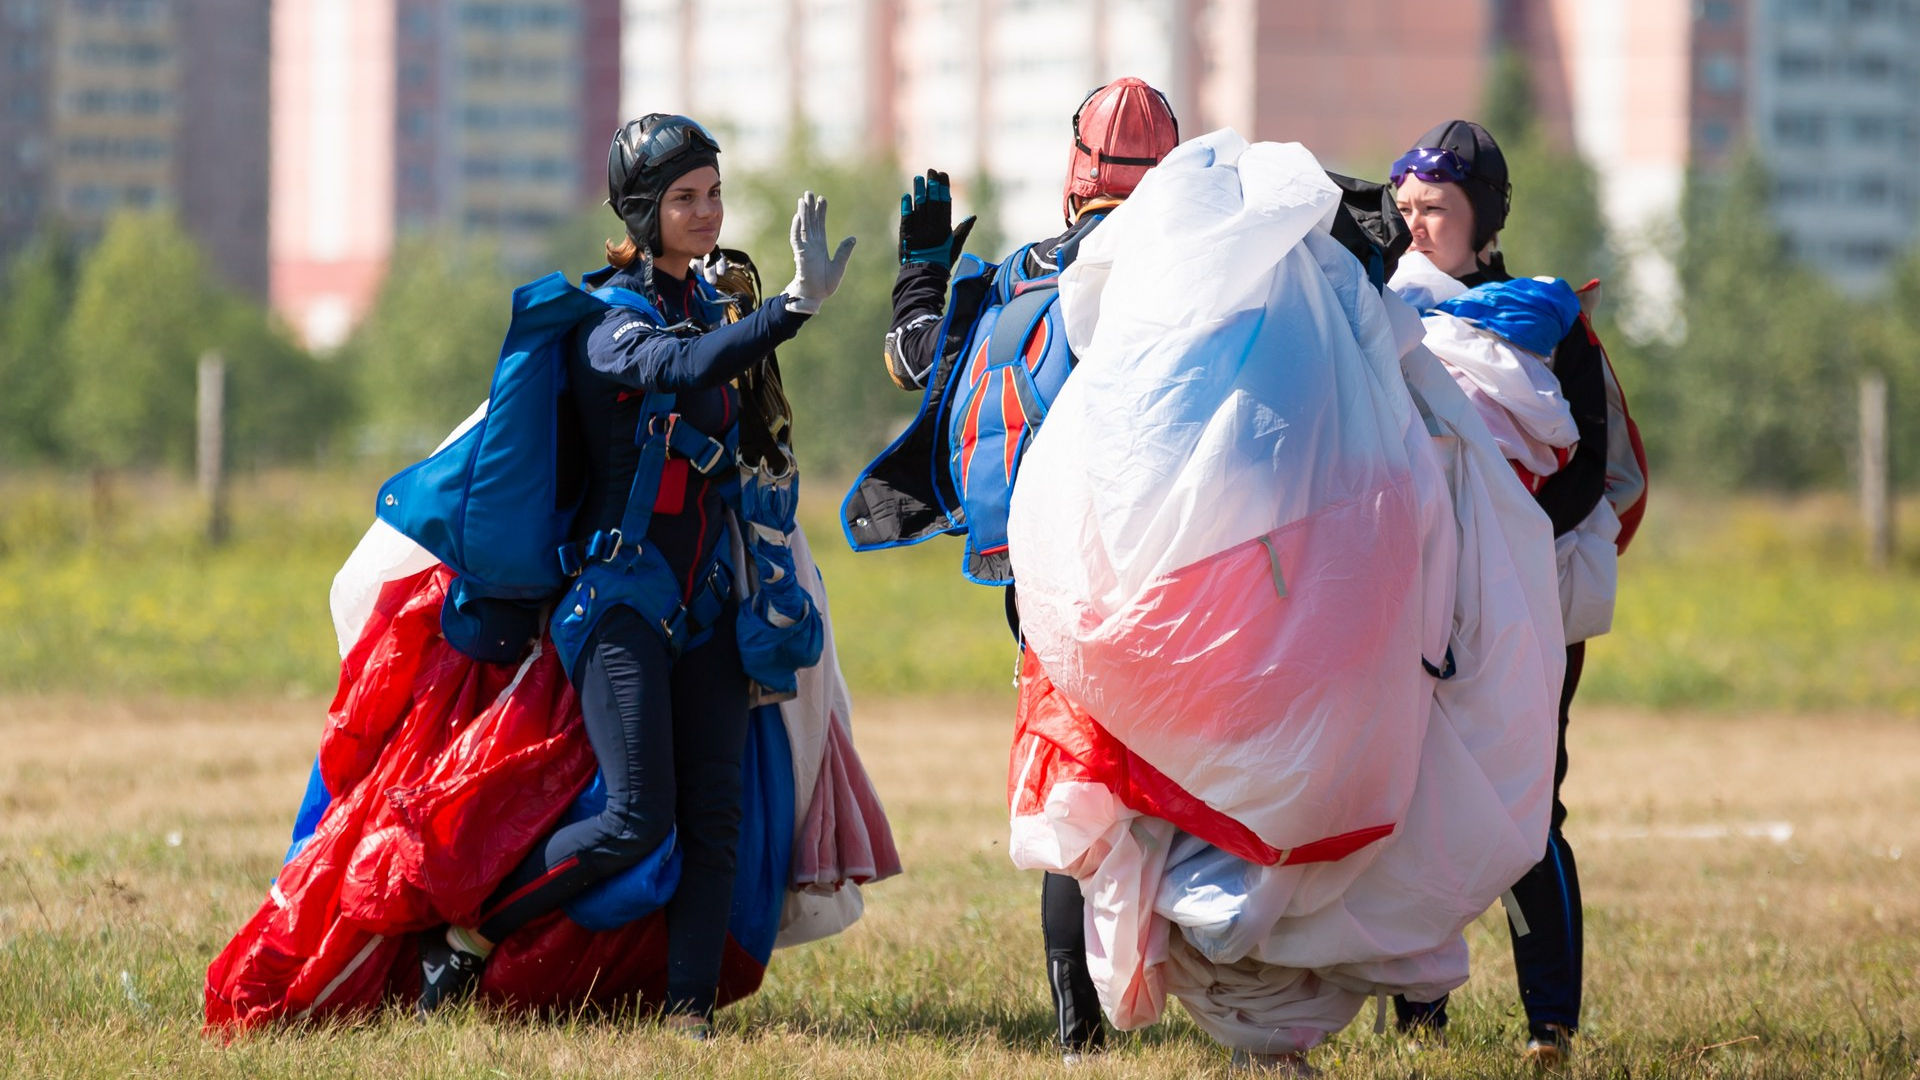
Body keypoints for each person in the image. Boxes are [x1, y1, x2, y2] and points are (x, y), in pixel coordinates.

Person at [414, 112, 856, 1036]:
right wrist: (792, 309)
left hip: (709, 599)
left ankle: (689, 1018)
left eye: (714, 194)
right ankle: (468, 939)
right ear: (642, 212)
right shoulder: (608, 323)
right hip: (616, 599)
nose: (707, 212)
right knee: (636, 819)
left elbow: (737, 413)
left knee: (716, 815)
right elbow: (681, 365)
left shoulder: (714, 307)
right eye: (685, 198)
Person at [846, 77, 1180, 1062]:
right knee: (1183, 780)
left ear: (1075, 173)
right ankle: (1224, 1002)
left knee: (1071, 781)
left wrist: (920, 274)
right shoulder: (1181, 269)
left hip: (1033, 576)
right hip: (1154, 569)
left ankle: (1080, 1034)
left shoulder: (1015, 276)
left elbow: (915, 363)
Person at [1385, 118, 1645, 1067]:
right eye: (1404, 208)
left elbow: (1589, 468)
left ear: (1483, 220)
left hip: (1528, 597)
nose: (1414, 226)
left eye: (1435, 209)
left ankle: (1551, 1024)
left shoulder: (1546, 317)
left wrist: (1494, 530)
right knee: (1412, 797)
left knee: (1530, 804)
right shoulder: (1387, 312)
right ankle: (1418, 1022)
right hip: (1420, 599)